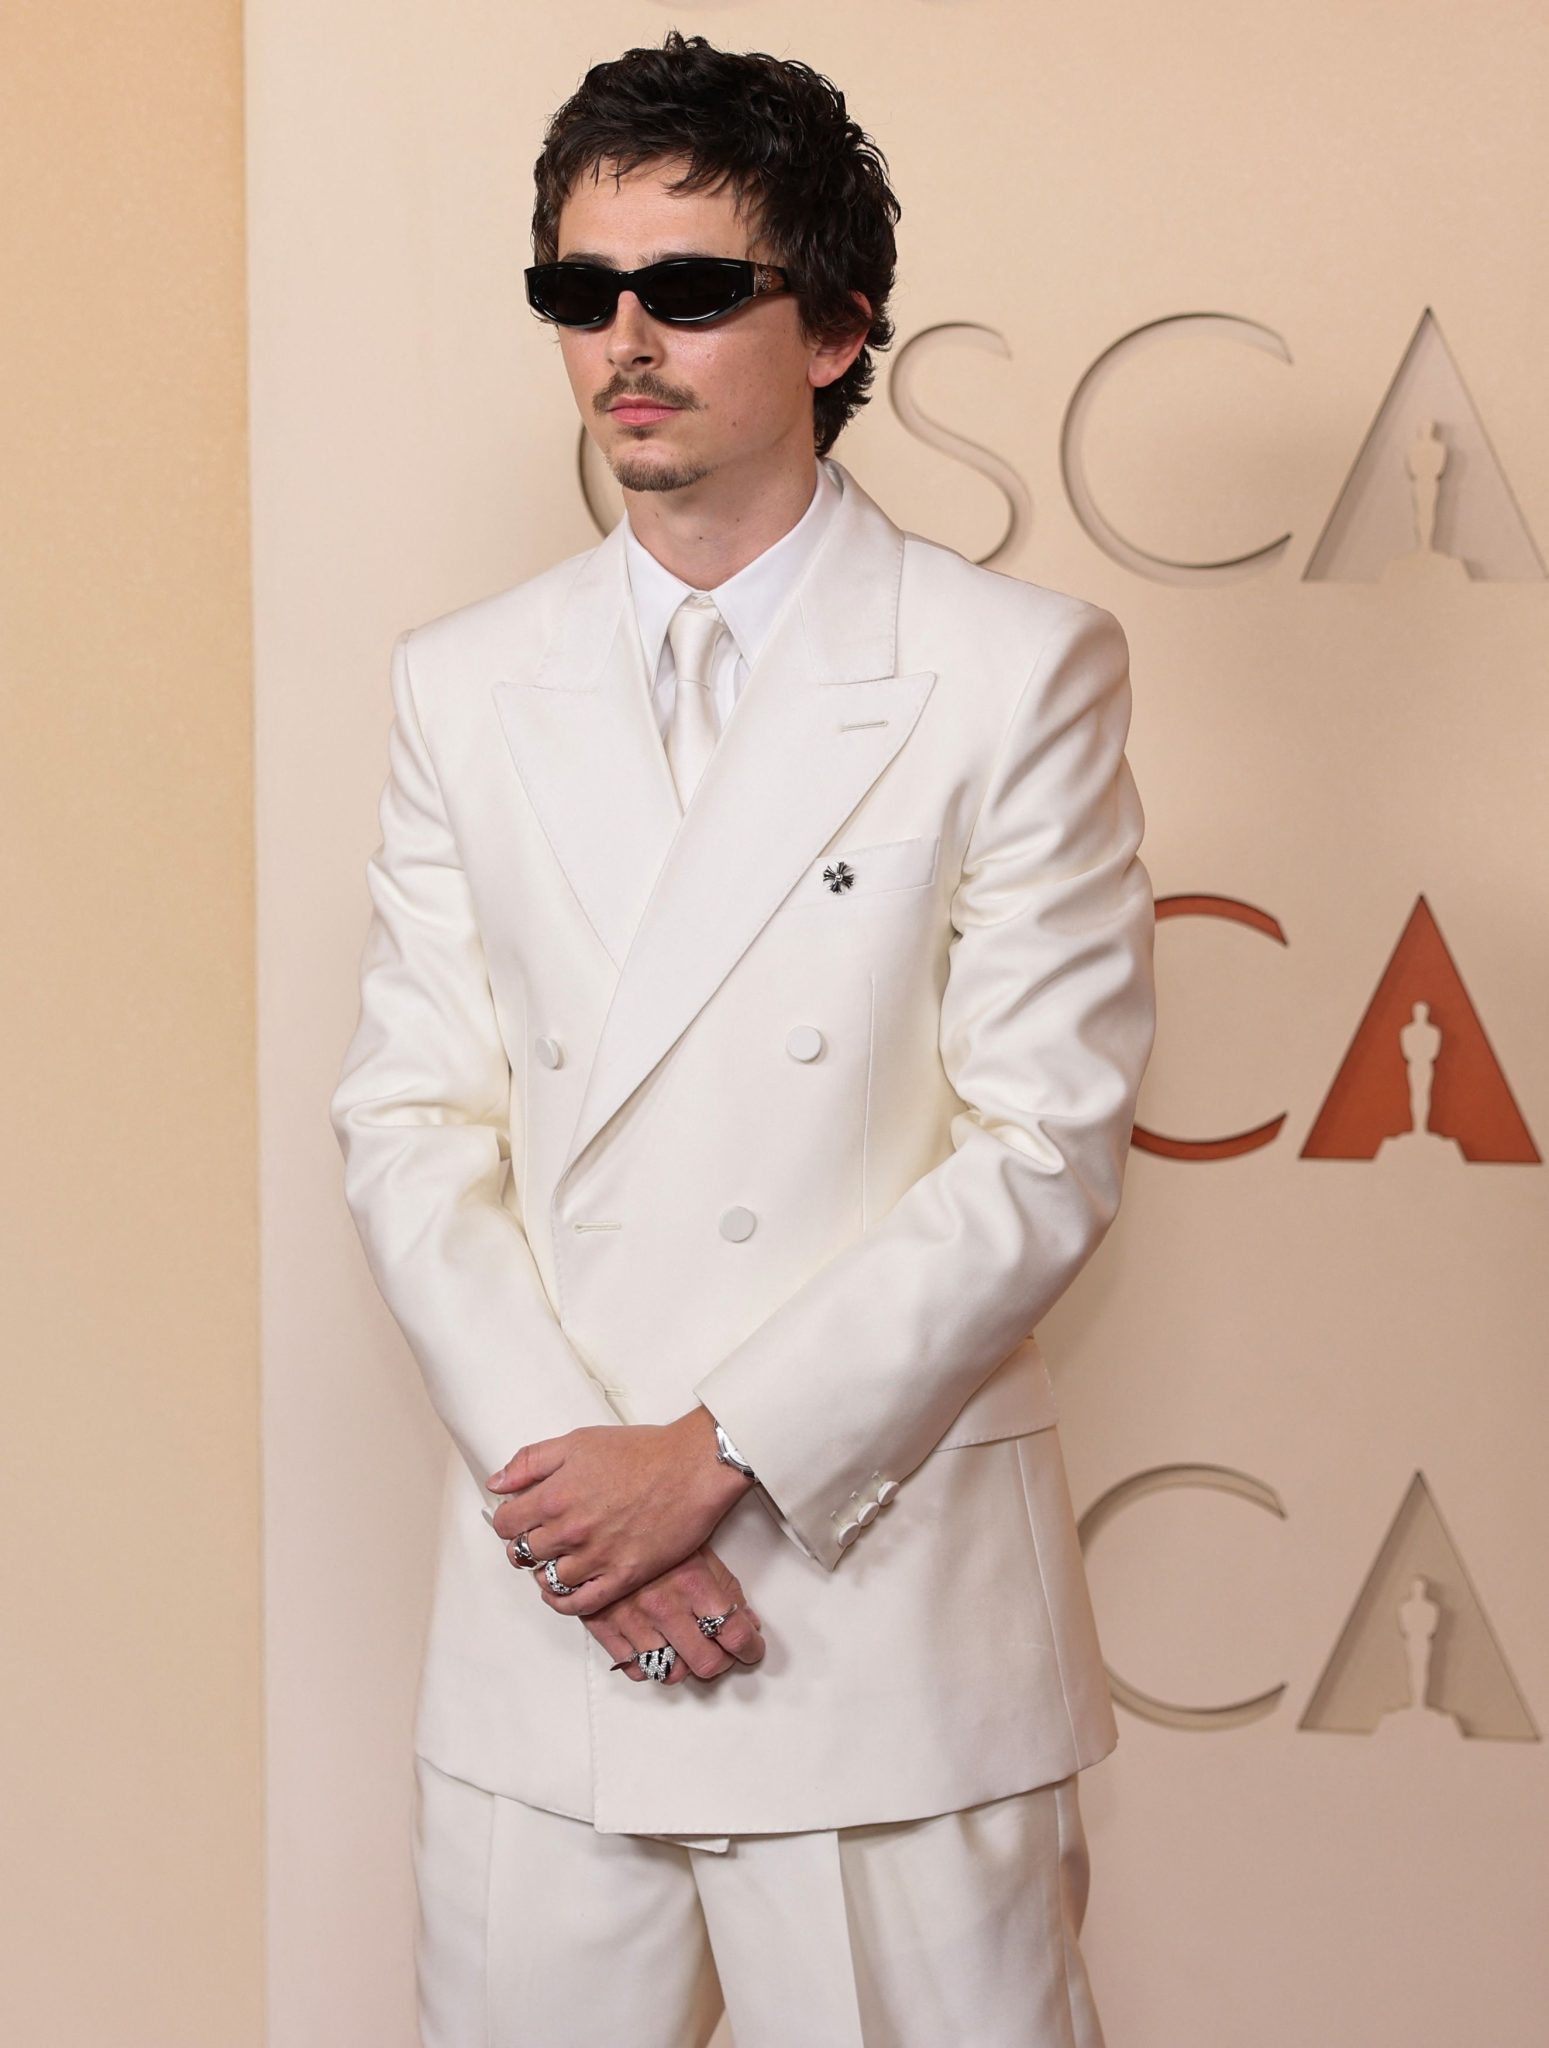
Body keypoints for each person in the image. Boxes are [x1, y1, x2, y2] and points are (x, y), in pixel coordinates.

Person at [330, 29, 1156, 2048]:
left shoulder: (1011, 671)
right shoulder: (463, 683)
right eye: (580, 288)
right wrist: (581, 1510)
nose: (625, 340)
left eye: (691, 288)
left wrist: (704, 1466)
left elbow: (1041, 1144)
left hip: (880, 1622)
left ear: (838, 324)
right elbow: (411, 1123)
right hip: (549, 1628)